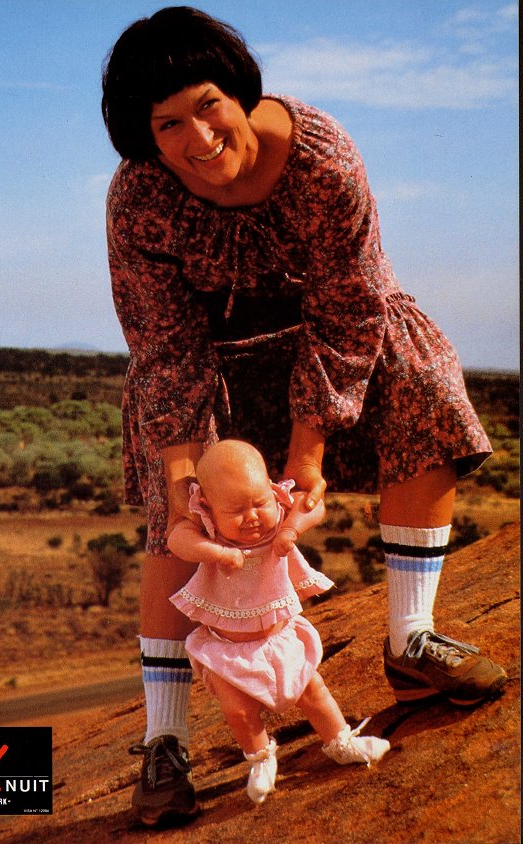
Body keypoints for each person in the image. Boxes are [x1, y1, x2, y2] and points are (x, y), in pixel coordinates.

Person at [101, 5, 508, 826]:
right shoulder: (140, 194)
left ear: (241, 93)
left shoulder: (320, 158)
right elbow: (166, 349)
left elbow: (350, 307)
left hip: (330, 340)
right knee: (170, 486)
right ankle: (165, 742)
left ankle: (411, 640)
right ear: (145, 135)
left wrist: (307, 454)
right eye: (166, 122)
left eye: (207, 103)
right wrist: (185, 485)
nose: (195, 136)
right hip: (211, 360)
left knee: (419, 369)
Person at [166, 439, 390, 806]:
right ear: (207, 507)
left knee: (313, 691)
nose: (252, 516)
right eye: (236, 510)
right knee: (239, 711)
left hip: (278, 638)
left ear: (271, 491)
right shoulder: (207, 528)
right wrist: (216, 552)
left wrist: (292, 530)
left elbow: (310, 505)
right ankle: (260, 759)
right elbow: (177, 538)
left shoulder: (279, 515)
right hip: (228, 650)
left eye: (259, 503)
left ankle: (340, 742)